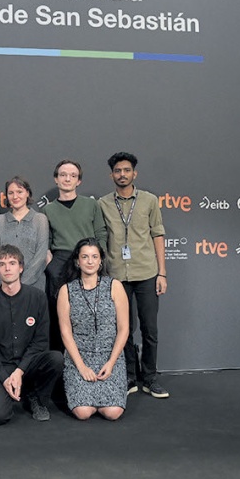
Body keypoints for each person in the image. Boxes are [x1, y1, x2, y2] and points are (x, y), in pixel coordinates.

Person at [98, 153, 168, 398]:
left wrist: (162, 273)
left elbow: (158, 235)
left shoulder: (149, 200)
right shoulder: (103, 203)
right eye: (118, 171)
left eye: (127, 170)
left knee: (150, 329)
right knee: (123, 329)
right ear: (111, 175)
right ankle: (129, 376)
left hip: (146, 272)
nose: (122, 174)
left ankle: (150, 377)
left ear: (134, 174)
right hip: (117, 274)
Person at [0, 245, 62, 425]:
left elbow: (41, 342)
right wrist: (5, 378)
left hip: (29, 363)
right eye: (2, 264)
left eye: (12, 263)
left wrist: (20, 371)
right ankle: (6, 389)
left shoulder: (38, 297)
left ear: (21, 267)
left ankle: (36, 398)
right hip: (2, 366)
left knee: (56, 359)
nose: (7, 268)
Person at [58, 238, 130, 421]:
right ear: (77, 261)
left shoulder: (115, 286)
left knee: (113, 413)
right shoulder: (66, 291)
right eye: (85, 257)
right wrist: (81, 367)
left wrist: (111, 363)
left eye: (94, 257)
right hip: (79, 357)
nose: (90, 261)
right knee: (83, 412)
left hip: (110, 356)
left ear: (101, 261)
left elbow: (123, 329)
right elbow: (65, 333)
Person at [42, 159, 108, 301]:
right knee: (59, 305)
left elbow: (101, 233)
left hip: (87, 259)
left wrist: (98, 257)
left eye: (73, 176)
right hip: (60, 261)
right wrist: (50, 263)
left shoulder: (91, 204)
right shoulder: (48, 209)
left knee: (88, 304)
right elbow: (46, 240)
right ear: (56, 179)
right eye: (63, 175)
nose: (67, 179)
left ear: (78, 181)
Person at [0, 176, 49, 292]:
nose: (15, 196)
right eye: (11, 193)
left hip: (34, 286)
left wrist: (19, 284)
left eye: (19, 192)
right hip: (5, 286)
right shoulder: (0, 221)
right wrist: (6, 283)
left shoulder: (39, 219)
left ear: (27, 193)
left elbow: (41, 256)